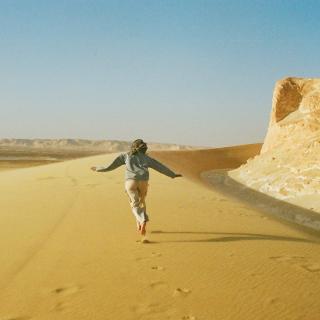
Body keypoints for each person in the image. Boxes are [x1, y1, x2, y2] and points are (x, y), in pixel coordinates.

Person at [91, 139, 182, 240]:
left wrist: (98, 168)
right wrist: (172, 174)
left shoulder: (126, 156)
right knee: (142, 202)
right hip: (143, 182)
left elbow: (111, 166)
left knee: (134, 203)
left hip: (130, 182)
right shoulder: (147, 158)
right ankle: (140, 224)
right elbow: (159, 166)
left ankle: (141, 220)